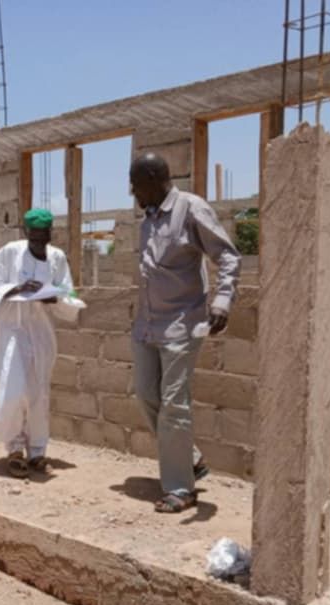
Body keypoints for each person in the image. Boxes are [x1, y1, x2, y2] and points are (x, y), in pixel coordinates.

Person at [129, 152, 241, 513]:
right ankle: (189, 457)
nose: (132, 191)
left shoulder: (191, 209)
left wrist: (223, 300)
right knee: (147, 394)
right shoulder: (147, 219)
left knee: (175, 403)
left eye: (136, 184)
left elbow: (227, 256)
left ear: (153, 179)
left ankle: (180, 488)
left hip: (182, 323)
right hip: (148, 325)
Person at [0, 208, 77, 479]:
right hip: (14, 330)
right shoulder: (11, 252)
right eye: (34, 237)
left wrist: (54, 298)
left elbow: (69, 291)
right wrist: (15, 290)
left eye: (43, 237)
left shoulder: (57, 258)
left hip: (42, 335)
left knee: (38, 393)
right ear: (26, 233)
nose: (39, 242)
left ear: (49, 235)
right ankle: (14, 448)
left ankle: (37, 451)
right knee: (14, 388)